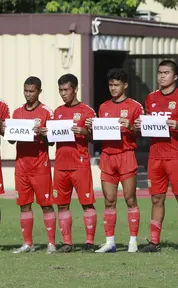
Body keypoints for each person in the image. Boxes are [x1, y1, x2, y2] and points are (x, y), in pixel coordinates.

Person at [136, 60, 178, 252]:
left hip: (175, 155)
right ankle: (154, 242)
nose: (162, 76)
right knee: (156, 198)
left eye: (166, 73)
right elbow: (148, 123)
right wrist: (140, 125)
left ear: (175, 76)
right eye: (160, 72)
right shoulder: (150, 98)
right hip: (155, 156)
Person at [89, 68, 143, 253]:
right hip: (107, 156)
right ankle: (110, 242)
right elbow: (99, 132)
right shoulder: (103, 107)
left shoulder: (135, 106)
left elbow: (143, 133)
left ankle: (133, 241)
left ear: (125, 85)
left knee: (130, 199)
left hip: (126, 155)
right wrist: (92, 127)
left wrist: (131, 127)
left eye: (117, 85)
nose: (113, 88)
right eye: (111, 85)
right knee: (109, 200)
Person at [50, 74, 97, 253]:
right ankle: (68, 243)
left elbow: (96, 137)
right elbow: (52, 140)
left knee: (86, 203)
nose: (63, 94)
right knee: (62, 204)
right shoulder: (57, 112)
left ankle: (89, 242)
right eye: (60, 90)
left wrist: (85, 131)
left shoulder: (87, 111)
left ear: (75, 89)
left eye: (66, 90)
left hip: (80, 164)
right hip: (61, 165)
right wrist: (46, 133)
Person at [11, 76, 56, 254]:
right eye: (26, 91)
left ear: (39, 91)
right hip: (21, 165)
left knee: (45, 204)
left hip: (40, 165)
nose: (28, 94)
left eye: (32, 91)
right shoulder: (17, 113)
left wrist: (45, 134)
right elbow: (12, 139)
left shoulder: (46, 112)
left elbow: (53, 141)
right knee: (24, 204)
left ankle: (51, 243)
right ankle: (28, 243)